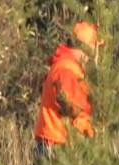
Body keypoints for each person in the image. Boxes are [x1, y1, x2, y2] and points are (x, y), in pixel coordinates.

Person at [34, 21, 105, 156]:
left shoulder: (70, 66)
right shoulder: (66, 68)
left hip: (58, 144)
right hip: (56, 146)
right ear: (85, 48)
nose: (97, 54)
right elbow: (73, 107)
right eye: (95, 48)